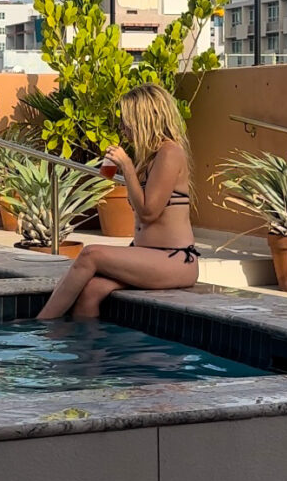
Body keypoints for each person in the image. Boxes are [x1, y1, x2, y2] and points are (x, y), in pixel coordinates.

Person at [37, 83, 199, 320]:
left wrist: (127, 167)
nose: (123, 128)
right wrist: (116, 169)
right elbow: (136, 203)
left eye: (126, 121)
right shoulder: (149, 157)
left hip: (173, 258)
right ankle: (87, 353)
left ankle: (42, 327)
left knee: (90, 254)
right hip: (147, 254)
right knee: (92, 290)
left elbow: (148, 213)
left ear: (143, 118)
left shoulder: (170, 152)